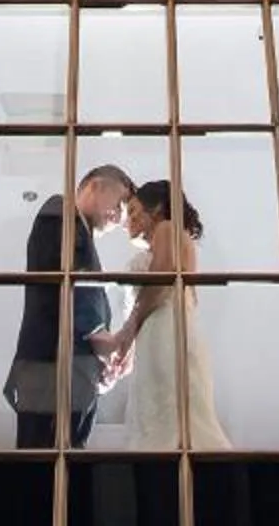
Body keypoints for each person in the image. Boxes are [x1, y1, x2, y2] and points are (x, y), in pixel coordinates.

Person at [93, 179, 232, 452]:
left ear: (155, 209)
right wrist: (129, 348)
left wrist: (126, 334)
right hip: (159, 332)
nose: (128, 221)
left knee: (172, 412)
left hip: (167, 332)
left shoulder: (167, 228)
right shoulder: (170, 239)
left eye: (133, 212)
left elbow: (161, 282)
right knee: (163, 410)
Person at [9, 162, 137, 449]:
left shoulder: (81, 239)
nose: (119, 217)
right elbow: (73, 288)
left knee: (62, 462)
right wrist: (104, 340)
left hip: (67, 375)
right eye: (119, 203)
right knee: (48, 464)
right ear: (96, 185)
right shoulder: (60, 211)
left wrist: (105, 356)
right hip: (51, 371)